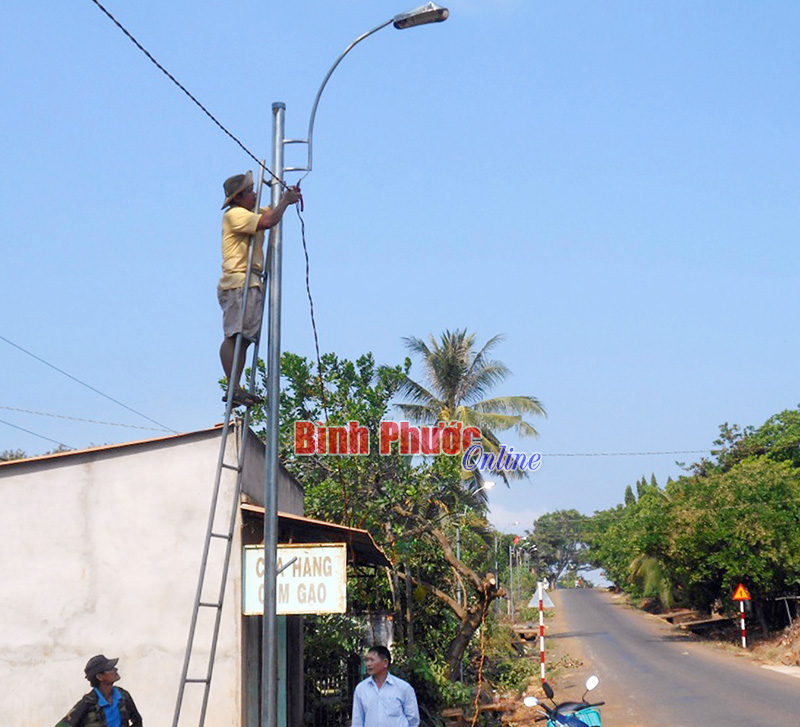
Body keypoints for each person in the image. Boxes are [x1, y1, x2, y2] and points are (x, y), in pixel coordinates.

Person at [218, 171, 301, 406]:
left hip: (251, 281)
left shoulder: (248, 213)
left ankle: (237, 386)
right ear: (238, 197)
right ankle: (233, 387)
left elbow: (270, 213)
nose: (254, 194)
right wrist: (285, 202)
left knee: (243, 338)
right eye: (250, 192)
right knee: (234, 335)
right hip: (238, 282)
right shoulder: (234, 215)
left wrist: (286, 197)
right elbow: (268, 221)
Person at [55, 654, 143, 727]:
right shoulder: (87, 704)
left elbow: (137, 720)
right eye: (110, 669)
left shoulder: (123, 696)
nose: (115, 669)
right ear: (99, 677)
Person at [351, 645, 420, 727]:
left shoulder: (403, 688)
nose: (368, 664)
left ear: (385, 663)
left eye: (372, 660)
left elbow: (413, 720)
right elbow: (357, 720)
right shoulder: (361, 689)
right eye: (366, 660)